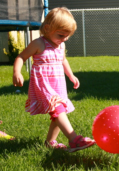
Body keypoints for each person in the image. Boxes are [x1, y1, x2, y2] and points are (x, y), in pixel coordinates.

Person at [13, 7, 95, 152]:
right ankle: (74, 139)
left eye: (67, 36)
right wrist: (16, 72)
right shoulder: (39, 43)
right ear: (47, 28)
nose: (64, 39)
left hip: (58, 85)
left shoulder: (61, 45)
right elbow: (21, 57)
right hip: (44, 85)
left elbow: (63, 61)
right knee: (57, 109)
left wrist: (71, 75)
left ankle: (50, 142)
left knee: (59, 112)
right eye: (61, 35)